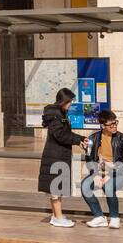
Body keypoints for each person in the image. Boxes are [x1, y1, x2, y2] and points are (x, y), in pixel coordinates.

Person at [37, 87, 89, 228]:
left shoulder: (60, 113)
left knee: (57, 187)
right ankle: (58, 217)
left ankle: (56, 216)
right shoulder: (55, 114)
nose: (71, 104)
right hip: (55, 155)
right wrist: (78, 139)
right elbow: (61, 135)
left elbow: (64, 134)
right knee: (55, 188)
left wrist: (79, 139)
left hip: (59, 154)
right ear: (63, 101)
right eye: (69, 101)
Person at [81, 109, 123, 228]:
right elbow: (90, 159)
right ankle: (99, 217)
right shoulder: (93, 138)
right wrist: (96, 174)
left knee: (108, 186)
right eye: (111, 124)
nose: (114, 126)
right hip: (99, 171)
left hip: (118, 173)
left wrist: (108, 176)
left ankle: (114, 217)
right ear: (103, 125)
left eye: (115, 122)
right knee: (85, 186)